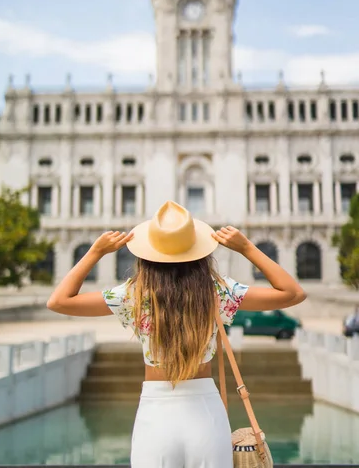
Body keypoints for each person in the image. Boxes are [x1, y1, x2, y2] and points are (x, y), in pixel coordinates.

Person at [47, 200, 306, 468]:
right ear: (198, 250)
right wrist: (247, 248)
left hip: (155, 416)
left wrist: (95, 252)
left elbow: (59, 301)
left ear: (149, 253)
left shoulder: (134, 294)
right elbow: (293, 293)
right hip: (207, 414)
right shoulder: (216, 291)